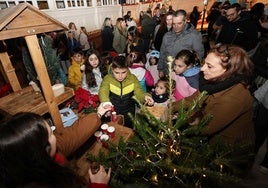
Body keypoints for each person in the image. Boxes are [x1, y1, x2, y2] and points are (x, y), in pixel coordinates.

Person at [0, 110, 111, 187]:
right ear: (40, 150)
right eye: (51, 134)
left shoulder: (36, 157)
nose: (55, 135)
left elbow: (71, 135)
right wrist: (98, 185)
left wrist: (98, 114)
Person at [172, 44, 255, 146]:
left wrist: (178, 126)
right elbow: (192, 100)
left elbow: (206, 128)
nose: (202, 68)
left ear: (228, 71)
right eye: (204, 63)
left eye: (209, 66)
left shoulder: (233, 99)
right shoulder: (213, 81)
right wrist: (169, 108)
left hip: (228, 148)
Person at [99, 56, 154, 128]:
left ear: (127, 69)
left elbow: (139, 92)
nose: (120, 76)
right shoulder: (107, 79)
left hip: (129, 111)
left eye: (123, 72)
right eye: (117, 73)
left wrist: (145, 97)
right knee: (115, 129)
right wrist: (106, 102)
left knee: (128, 129)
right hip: (114, 110)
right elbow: (103, 91)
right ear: (112, 69)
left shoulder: (133, 78)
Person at [158, 9, 204, 77]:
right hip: (167, 72)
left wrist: (188, 71)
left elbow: (199, 56)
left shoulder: (194, 36)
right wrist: (160, 69)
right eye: (174, 24)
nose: (176, 27)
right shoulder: (167, 36)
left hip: (183, 75)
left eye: (179, 23)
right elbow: (162, 53)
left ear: (185, 21)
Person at [254, 80, 268, 173]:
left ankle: (267, 163)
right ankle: (250, 154)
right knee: (258, 132)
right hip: (266, 106)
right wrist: (258, 96)